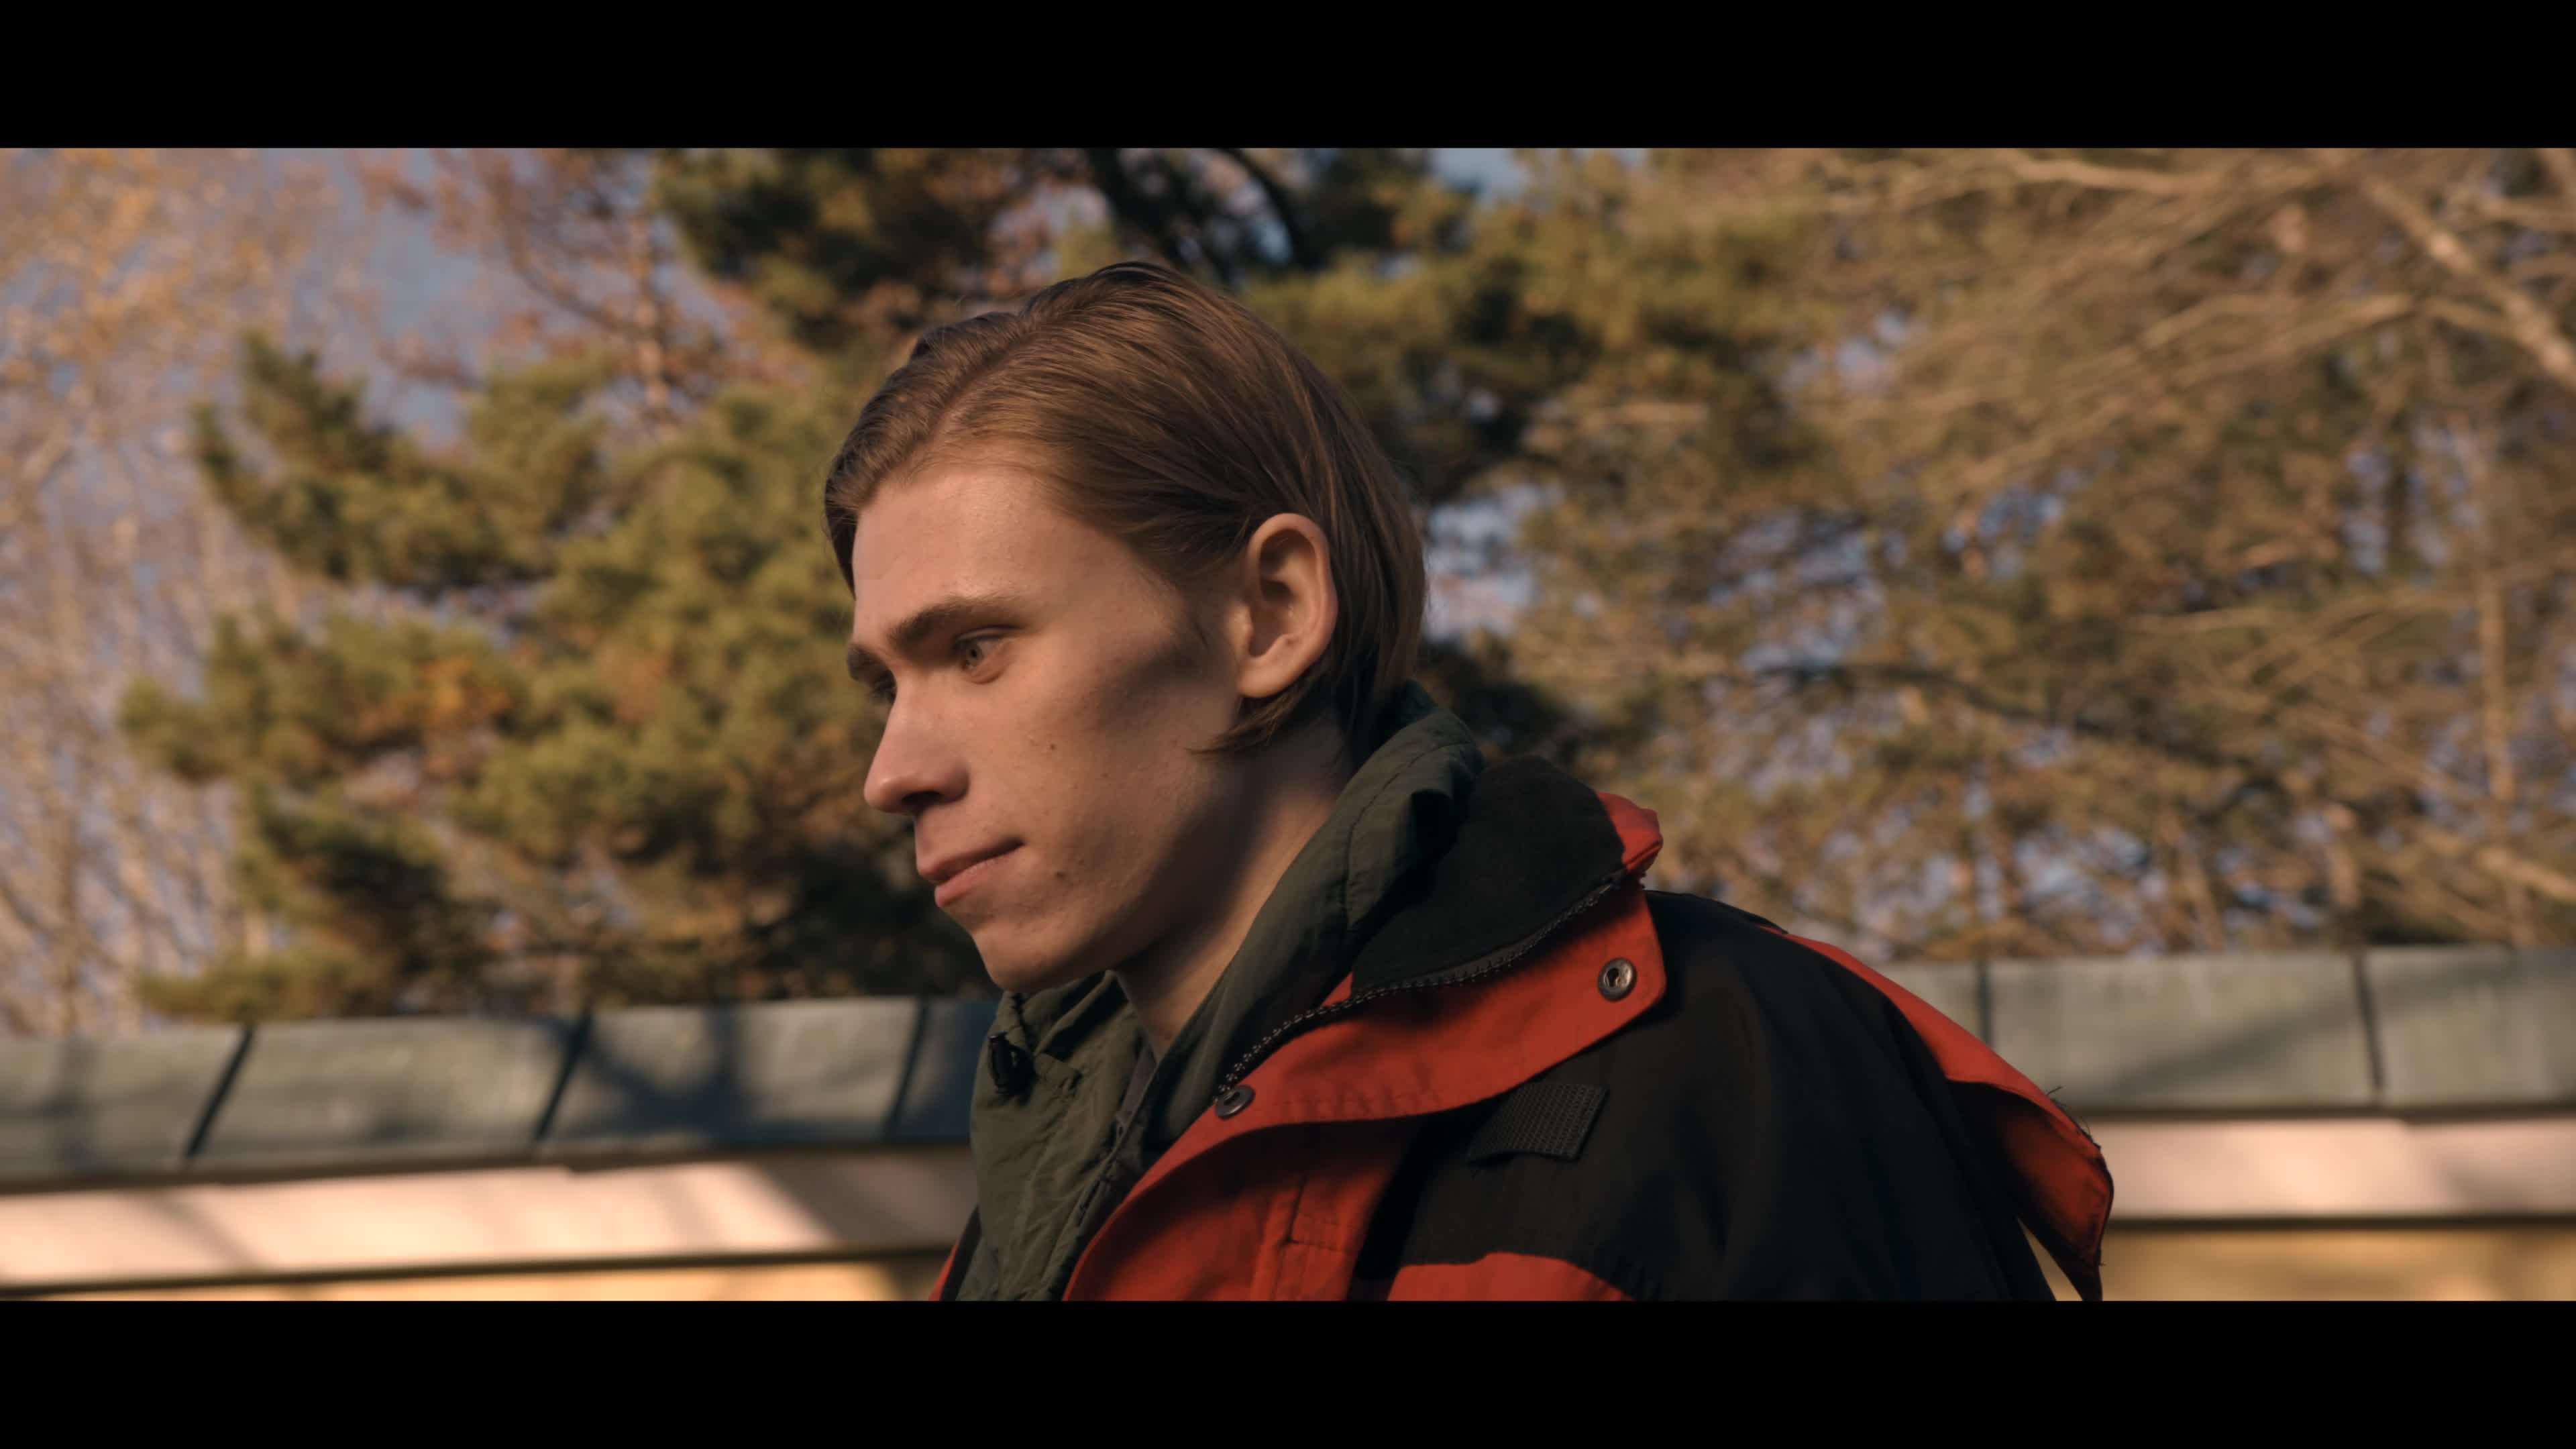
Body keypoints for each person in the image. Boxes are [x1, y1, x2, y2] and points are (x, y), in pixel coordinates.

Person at [826, 260, 2112, 1301]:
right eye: (888, 685)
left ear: (1270, 613)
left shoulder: (1733, 1074)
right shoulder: (1030, 1220)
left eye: (975, 649)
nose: (893, 774)